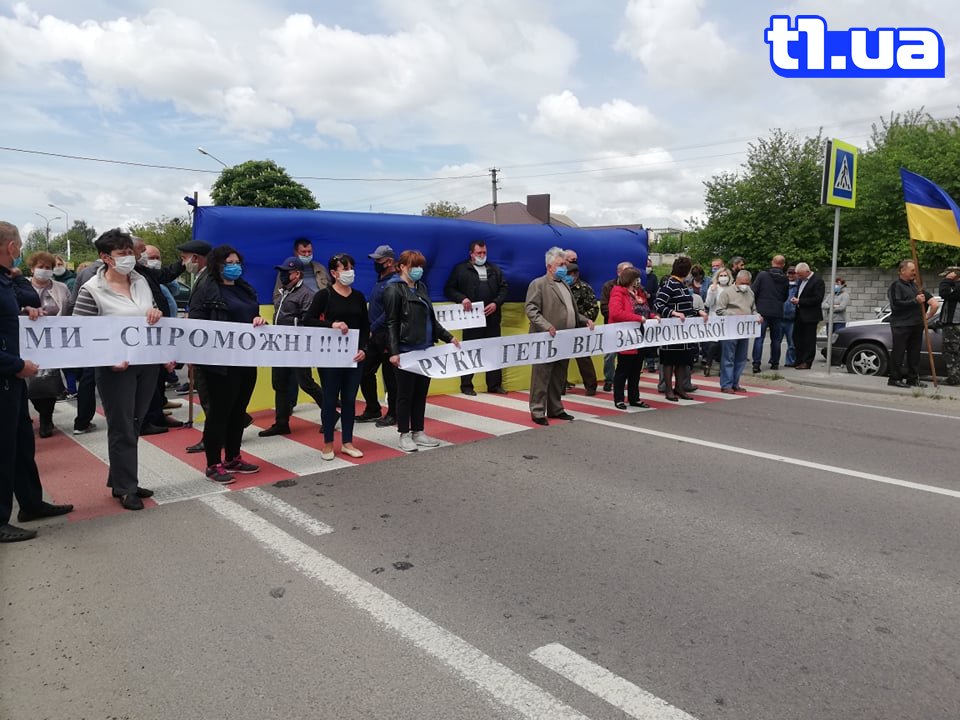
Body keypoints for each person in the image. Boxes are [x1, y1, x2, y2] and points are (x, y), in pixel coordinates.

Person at [72, 229, 171, 511]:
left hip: (146, 362)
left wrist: (156, 314)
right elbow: (80, 334)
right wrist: (107, 358)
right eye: (122, 253)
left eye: (130, 252)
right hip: (116, 369)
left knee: (135, 423)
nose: (129, 257)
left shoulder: (141, 281)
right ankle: (127, 488)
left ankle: (121, 479)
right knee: (122, 426)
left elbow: (153, 313)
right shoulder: (91, 289)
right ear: (105, 257)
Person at [0, 221, 73, 541]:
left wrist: (16, 278)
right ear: (12, 247)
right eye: (18, 246)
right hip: (7, 372)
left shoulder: (6, 279)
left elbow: (31, 297)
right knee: (3, 450)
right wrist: (16, 364)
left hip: (12, 378)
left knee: (20, 444)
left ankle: (30, 503)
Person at [187, 245, 265, 483]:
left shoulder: (244, 289)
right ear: (217, 265)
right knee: (219, 412)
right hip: (219, 363)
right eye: (229, 263)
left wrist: (259, 321)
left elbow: (250, 315)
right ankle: (213, 464)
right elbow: (196, 325)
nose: (234, 266)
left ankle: (233, 457)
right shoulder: (206, 290)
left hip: (246, 359)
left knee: (238, 410)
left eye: (237, 262)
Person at [385, 250, 460, 452]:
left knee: (420, 393)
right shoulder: (393, 289)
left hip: (426, 350)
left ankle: (418, 431)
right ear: (402, 267)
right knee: (405, 394)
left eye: (420, 266)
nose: (418, 270)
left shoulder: (421, 287)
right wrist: (394, 351)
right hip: (406, 350)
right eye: (413, 266)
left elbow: (431, 320)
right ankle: (404, 434)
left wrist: (448, 337)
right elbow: (391, 322)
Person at [304, 253, 369, 459]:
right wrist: (331, 324)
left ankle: (348, 442)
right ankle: (328, 443)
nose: (350, 272)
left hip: (353, 357)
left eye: (351, 268)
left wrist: (364, 349)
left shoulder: (358, 296)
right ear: (334, 273)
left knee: (349, 399)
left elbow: (365, 326)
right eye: (345, 268)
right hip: (330, 356)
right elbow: (308, 320)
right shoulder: (324, 295)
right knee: (330, 399)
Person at [524, 246, 595, 424]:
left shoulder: (564, 284)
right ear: (549, 266)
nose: (564, 267)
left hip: (564, 338)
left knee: (558, 375)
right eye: (560, 264)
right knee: (541, 375)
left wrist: (584, 319)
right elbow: (531, 310)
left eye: (564, 264)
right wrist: (546, 326)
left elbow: (571, 310)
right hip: (546, 338)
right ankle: (537, 410)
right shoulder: (538, 284)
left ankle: (555, 408)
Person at [259, 257, 324, 437]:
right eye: (282, 272)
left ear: (297, 274)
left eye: (286, 272)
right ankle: (281, 422)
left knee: (306, 383)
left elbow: (309, 321)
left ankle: (330, 413)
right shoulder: (283, 292)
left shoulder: (307, 294)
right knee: (279, 384)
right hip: (280, 346)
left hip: (298, 347)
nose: (283, 275)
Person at [443, 240, 509, 395]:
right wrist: (462, 299)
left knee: (493, 351)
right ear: (471, 254)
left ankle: (494, 385)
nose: (482, 255)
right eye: (479, 253)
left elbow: (504, 289)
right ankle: (466, 385)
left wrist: (496, 303)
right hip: (471, 320)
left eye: (484, 252)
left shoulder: (494, 269)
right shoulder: (461, 269)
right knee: (469, 351)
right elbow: (449, 289)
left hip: (492, 318)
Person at [25, 251, 71, 437]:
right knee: (30, 380)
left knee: (50, 380)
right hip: (27, 342)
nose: (44, 270)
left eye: (48, 267)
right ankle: (36, 410)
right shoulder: (22, 287)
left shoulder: (61, 288)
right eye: (40, 267)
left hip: (53, 341)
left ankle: (46, 417)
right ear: (32, 268)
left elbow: (69, 310)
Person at [654, 256, 707, 401]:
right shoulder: (669, 285)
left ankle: (679, 387)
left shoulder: (683, 285)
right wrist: (673, 313)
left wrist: (698, 312)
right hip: (671, 330)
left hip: (684, 331)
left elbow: (686, 307)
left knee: (682, 360)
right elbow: (658, 304)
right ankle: (668, 390)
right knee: (669, 361)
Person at [357, 245, 399, 427]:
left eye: (378, 260)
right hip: (374, 336)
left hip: (388, 336)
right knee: (364, 371)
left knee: (390, 377)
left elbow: (390, 311)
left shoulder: (394, 282)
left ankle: (394, 413)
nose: (375, 263)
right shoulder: (380, 280)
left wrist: (371, 327)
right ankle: (373, 408)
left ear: (389, 262)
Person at [607, 267, 655, 409]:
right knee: (623, 368)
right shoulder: (618, 292)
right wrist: (637, 318)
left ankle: (634, 398)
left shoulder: (638, 293)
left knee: (636, 369)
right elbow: (616, 313)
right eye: (636, 278)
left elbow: (645, 311)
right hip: (626, 336)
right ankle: (619, 399)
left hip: (640, 335)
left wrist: (653, 316)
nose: (638, 281)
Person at [887, 259, 934, 388]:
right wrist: (915, 301)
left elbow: (928, 302)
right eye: (912, 270)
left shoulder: (915, 286)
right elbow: (896, 304)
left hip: (916, 324)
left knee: (914, 353)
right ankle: (894, 378)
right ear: (903, 271)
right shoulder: (896, 286)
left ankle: (913, 379)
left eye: (915, 270)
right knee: (899, 352)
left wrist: (925, 314)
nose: (915, 273)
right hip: (901, 324)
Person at [716, 270, 762, 393]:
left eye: (747, 283)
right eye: (742, 283)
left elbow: (753, 309)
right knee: (728, 358)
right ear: (736, 280)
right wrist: (733, 315)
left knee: (741, 358)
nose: (744, 285)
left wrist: (757, 315)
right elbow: (719, 310)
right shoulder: (727, 293)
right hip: (730, 329)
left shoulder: (750, 292)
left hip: (744, 330)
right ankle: (726, 385)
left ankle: (735, 383)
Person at [563, 261, 599, 395]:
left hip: (580, 328)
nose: (567, 277)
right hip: (564, 327)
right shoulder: (561, 287)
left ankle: (591, 386)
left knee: (583, 358)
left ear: (576, 274)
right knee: (561, 359)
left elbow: (594, 308)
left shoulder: (584, 288)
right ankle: (560, 386)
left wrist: (584, 321)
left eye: (569, 274)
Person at [599, 261, 634, 392]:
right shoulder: (609, 286)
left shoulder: (636, 287)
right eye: (627, 271)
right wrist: (620, 316)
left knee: (627, 356)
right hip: (612, 326)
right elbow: (604, 307)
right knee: (610, 355)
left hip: (630, 327)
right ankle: (609, 379)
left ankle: (623, 379)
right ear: (619, 273)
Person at [750, 254, 789, 372]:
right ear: (783, 265)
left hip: (762, 310)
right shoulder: (785, 279)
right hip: (777, 311)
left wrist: (756, 306)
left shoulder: (762, 275)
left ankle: (756, 363)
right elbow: (785, 296)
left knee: (759, 338)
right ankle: (775, 363)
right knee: (776, 339)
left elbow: (753, 291)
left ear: (772, 262)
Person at [790, 262, 825, 370]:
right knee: (797, 337)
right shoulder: (801, 281)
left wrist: (800, 301)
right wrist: (795, 299)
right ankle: (799, 360)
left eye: (800, 274)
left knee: (809, 340)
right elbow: (799, 293)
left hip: (811, 315)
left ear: (807, 271)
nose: (798, 277)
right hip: (799, 314)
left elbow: (817, 299)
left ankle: (807, 362)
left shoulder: (817, 281)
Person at [701, 266, 734, 375]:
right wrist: (712, 291)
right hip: (715, 318)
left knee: (724, 344)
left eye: (725, 275)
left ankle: (722, 367)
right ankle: (708, 364)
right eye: (721, 275)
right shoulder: (713, 287)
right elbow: (708, 303)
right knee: (713, 343)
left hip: (728, 319)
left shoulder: (732, 288)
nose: (723, 277)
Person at [938, 266, 960, 386]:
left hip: (954, 324)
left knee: (951, 351)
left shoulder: (957, 287)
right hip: (954, 324)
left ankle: (954, 378)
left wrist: (947, 280)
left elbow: (943, 292)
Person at [782, 266, 799, 367]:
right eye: (789, 273)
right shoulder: (782, 285)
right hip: (780, 317)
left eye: (793, 273)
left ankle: (790, 361)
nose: (791, 275)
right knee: (776, 342)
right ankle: (774, 361)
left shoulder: (799, 286)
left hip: (792, 318)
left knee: (792, 343)